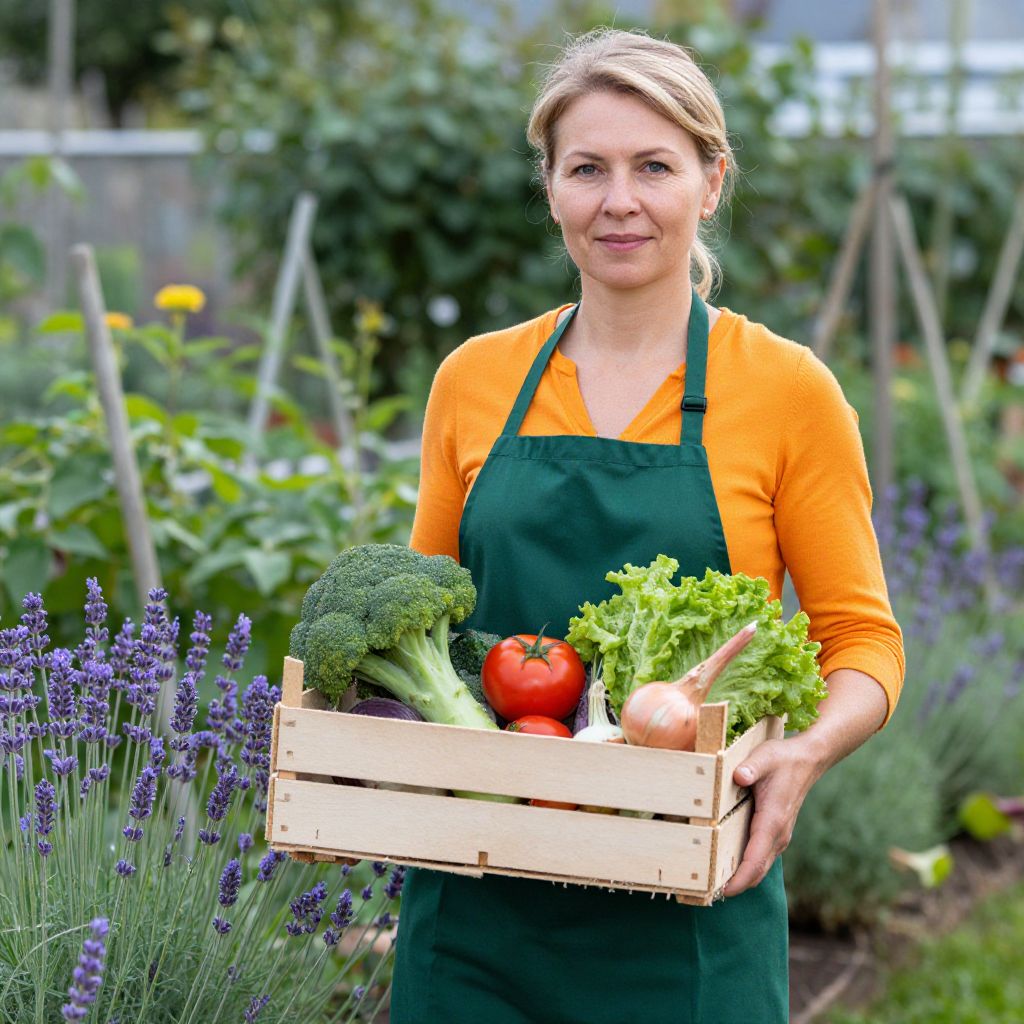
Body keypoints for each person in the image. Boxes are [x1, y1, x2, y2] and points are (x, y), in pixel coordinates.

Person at [391, 27, 904, 1024]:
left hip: (686, 910)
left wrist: (802, 752)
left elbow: (863, 640)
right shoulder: (475, 380)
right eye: (586, 168)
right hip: (478, 900)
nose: (617, 200)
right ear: (549, 188)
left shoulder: (787, 391)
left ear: (710, 182)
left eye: (653, 167)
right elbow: (423, 609)